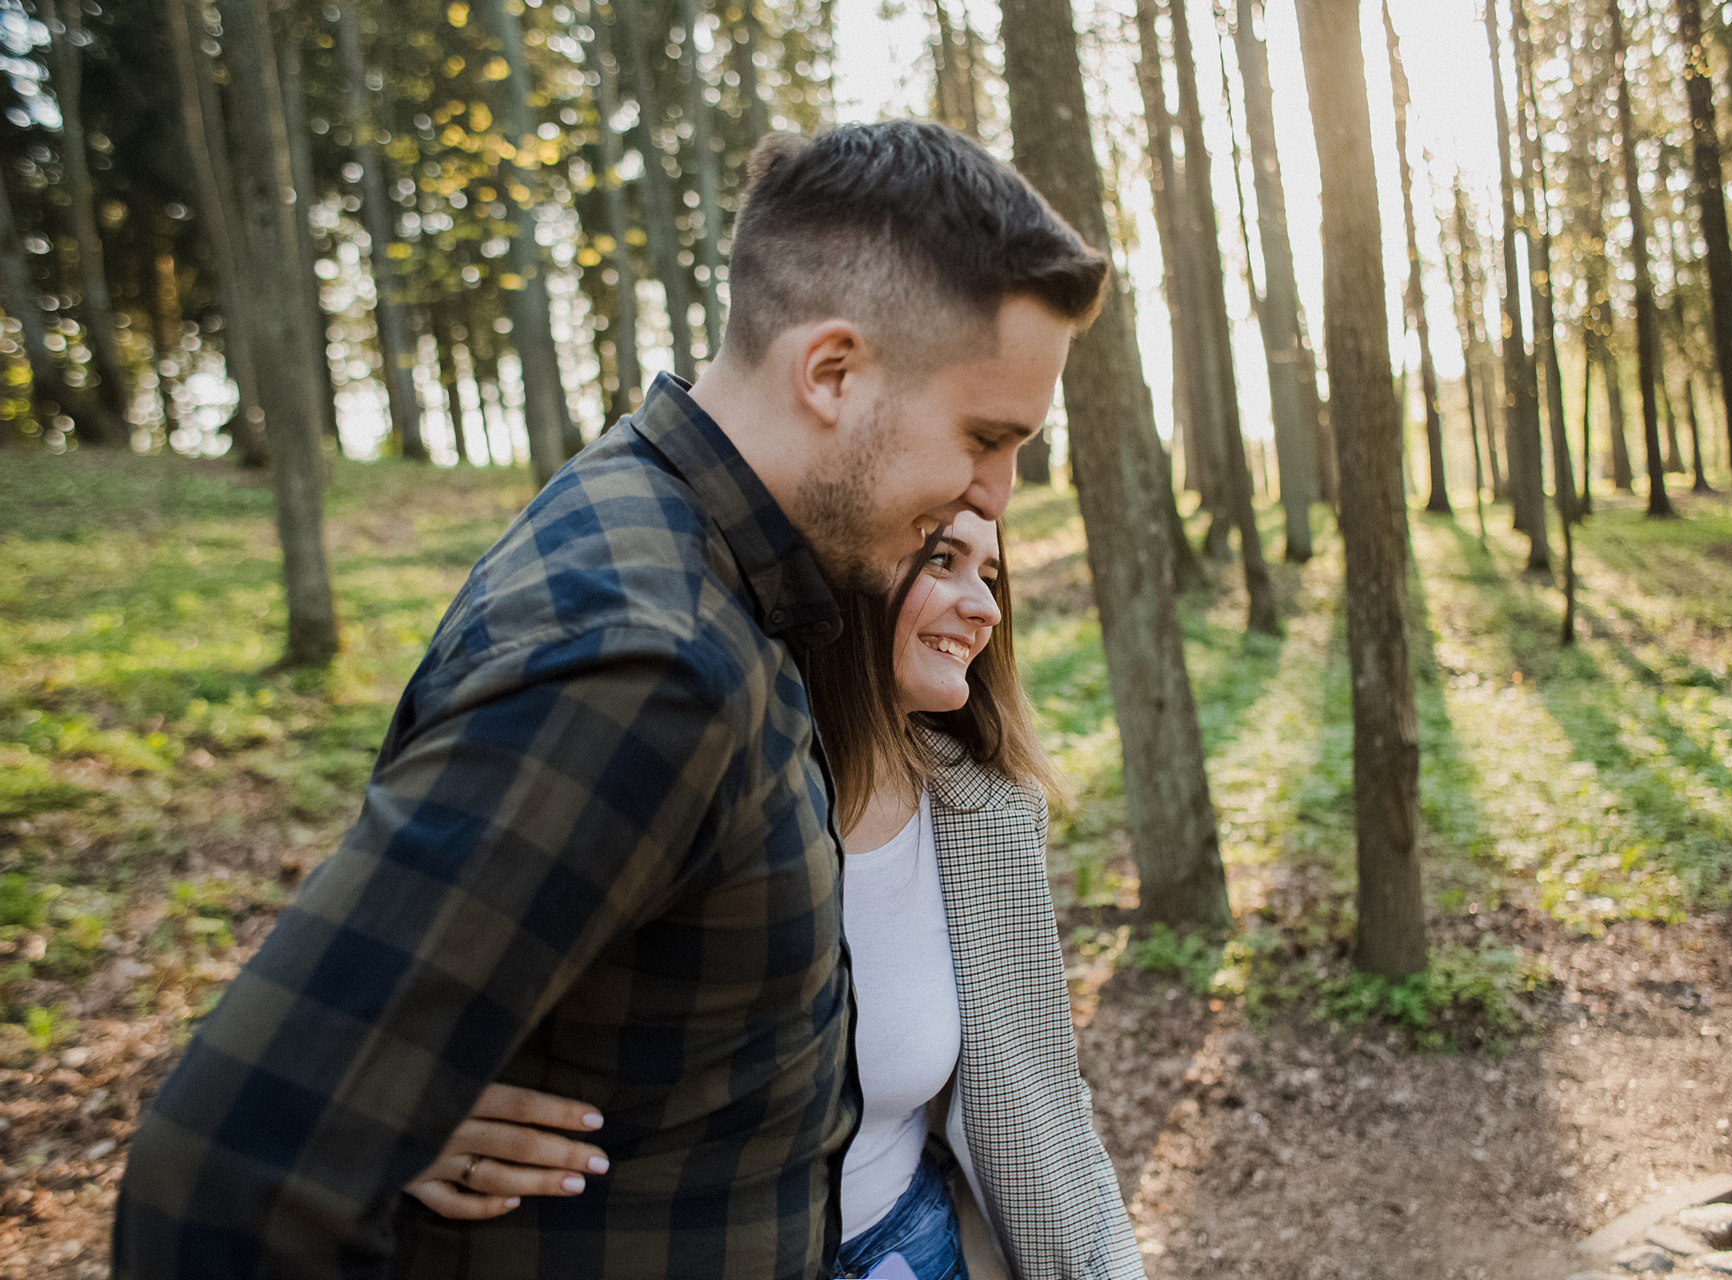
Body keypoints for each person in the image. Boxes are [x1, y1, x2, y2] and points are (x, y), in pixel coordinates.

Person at [111, 122, 1109, 1280]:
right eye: (987, 438)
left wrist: (404, 1083)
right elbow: (223, 1177)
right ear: (832, 373)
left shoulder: (726, 566)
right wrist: (370, 1109)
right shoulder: (650, 658)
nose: (992, 492)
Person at [410, 514, 1146, 1280]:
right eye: (942, 561)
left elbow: (1043, 1106)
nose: (986, 607)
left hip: (908, 1250)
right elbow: (388, 987)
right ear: (839, 570)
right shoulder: (697, 775)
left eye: (989, 576)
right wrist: (387, 1120)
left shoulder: (983, 812)